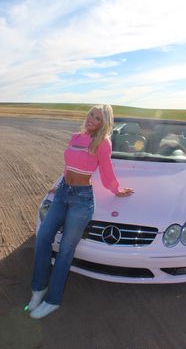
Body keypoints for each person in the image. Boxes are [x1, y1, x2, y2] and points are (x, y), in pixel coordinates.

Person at [27, 104, 134, 319]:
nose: (92, 119)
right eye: (91, 115)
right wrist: (59, 184)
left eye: (98, 118)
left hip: (82, 200)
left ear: (104, 123)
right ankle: (38, 289)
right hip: (62, 194)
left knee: (66, 249)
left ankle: (53, 300)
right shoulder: (76, 137)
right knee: (43, 237)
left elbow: (106, 170)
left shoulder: (102, 143)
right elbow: (68, 166)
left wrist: (117, 189)